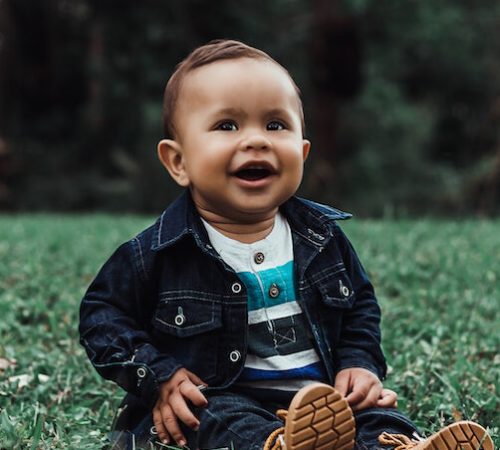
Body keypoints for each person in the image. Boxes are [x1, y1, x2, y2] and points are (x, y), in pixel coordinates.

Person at [79, 40, 494, 450]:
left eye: (276, 125)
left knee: (376, 416)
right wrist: (161, 377)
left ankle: (402, 446)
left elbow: (359, 309)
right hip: (222, 397)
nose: (257, 140)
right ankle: (277, 445)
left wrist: (359, 365)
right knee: (215, 419)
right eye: (227, 125)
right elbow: (102, 317)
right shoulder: (157, 253)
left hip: (323, 402)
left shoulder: (321, 237)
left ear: (302, 151)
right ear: (178, 162)